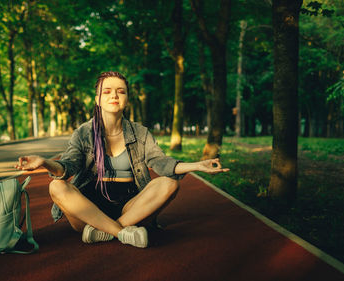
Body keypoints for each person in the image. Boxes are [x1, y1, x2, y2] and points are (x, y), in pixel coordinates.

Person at [15, 71, 229, 248]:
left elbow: (161, 163)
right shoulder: (83, 133)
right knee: (57, 187)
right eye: (106, 91)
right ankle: (123, 234)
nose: (114, 95)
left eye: (121, 91)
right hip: (88, 212)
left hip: (131, 209)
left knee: (170, 182)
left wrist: (198, 165)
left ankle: (105, 231)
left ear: (127, 99)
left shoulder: (141, 133)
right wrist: (44, 162)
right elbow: (67, 167)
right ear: (98, 100)